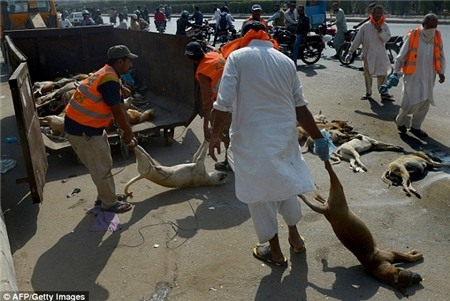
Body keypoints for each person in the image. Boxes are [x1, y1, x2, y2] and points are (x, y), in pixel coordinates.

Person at [208, 21, 330, 267]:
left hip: (252, 141)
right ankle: (295, 237)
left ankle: (274, 252)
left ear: (244, 37)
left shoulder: (237, 58)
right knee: (285, 184)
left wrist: (213, 135)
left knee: (259, 195)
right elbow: (301, 107)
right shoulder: (285, 61)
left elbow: (223, 102)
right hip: (284, 137)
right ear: (268, 37)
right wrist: (318, 137)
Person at [64, 45, 138, 214]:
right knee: (101, 167)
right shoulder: (109, 79)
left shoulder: (107, 73)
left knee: (102, 164)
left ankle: (106, 196)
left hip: (85, 127)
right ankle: (109, 204)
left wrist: (126, 129)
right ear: (120, 62)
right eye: (129, 61)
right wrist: (128, 133)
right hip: (83, 131)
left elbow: (119, 105)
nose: (131, 65)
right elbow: (117, 111)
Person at [393, 13, 446, 139]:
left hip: (429, 75)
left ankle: (416, 127)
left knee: (425, 102)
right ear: (424, 24)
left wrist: (441, 72)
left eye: (435, 25)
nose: (433, 28)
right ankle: (400, 121)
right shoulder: (413, 35)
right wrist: (396, 72)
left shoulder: (437, 36)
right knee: (409, 102)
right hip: (413, 76)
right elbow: (401, 56)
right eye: (431, 25)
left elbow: (441, 55)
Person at [185, 42, 231, 170]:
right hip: (238, 95)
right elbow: (215, 49)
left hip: (225, 102)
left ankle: (230, 162)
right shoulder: (214, 55)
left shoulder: (203, 73)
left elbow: (207, 103)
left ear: (190, 59)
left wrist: (206, 127)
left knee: (226, 133)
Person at [347, 5, 392, 100]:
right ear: (372, 14)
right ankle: (368, 92)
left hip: (380, 55)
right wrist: (350, 52)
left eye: (380, 14)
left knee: (382, 74)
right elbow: (357, 40)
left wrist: (380, 31)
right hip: (367, 55)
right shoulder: (365, 26)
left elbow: (386, 39)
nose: (379, 16)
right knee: (367, 75)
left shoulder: (385, 26)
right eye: (377, 14)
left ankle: (383, 93)